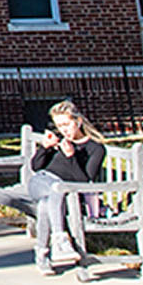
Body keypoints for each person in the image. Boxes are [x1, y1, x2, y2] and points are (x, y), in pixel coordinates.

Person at [27, 99, 108, 274]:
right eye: (59, 126)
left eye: (66, 124)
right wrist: (44, 148)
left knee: (45, 205)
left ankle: (42, 254)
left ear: (77, 122)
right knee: (56, 188)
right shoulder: (59, 142)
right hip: (41, 181)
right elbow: (36, 167)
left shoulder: (95, 149)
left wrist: (71, 157)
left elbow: (84, 181)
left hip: (64, 192)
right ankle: (59, 240)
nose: (64, 130)